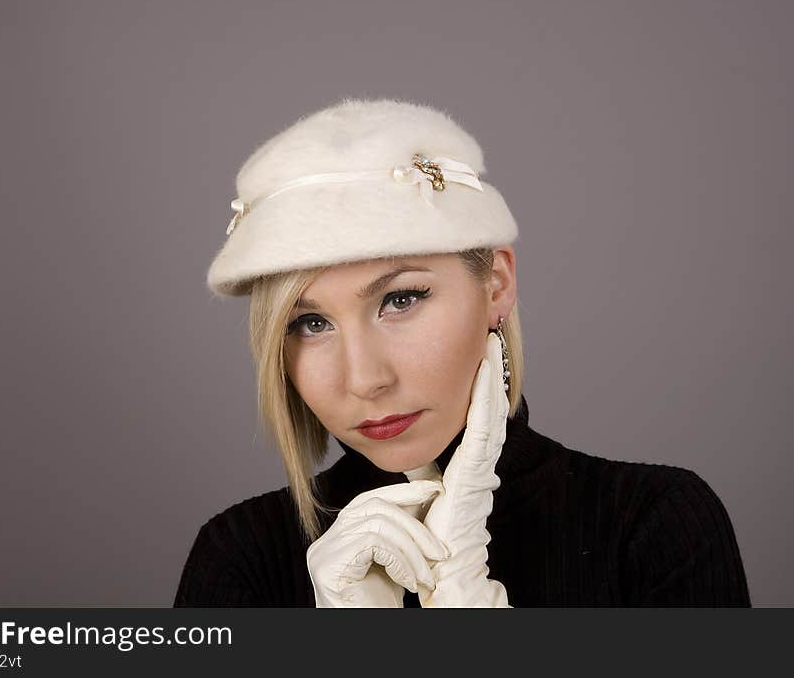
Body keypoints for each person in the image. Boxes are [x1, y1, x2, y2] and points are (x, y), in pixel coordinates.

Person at [173, 97, 751, 607]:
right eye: (312, 322)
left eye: (400, 299)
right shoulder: (242, 557)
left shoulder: (654, 526)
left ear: (495, 284)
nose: (364, 379)